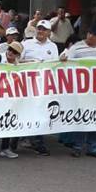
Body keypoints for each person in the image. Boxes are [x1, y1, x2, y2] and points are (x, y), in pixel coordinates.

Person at [60, 25, 96, 158]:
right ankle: (77, 146)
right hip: (82, 88)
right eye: (90, 33)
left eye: (95, 35)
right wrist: (63, 57)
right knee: (82, 116)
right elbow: (65, 58)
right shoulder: (77, 47)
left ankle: (93, 148)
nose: (91, 37)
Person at [20, 20, 58, 156]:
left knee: (41, 111)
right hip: (27, 85)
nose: (41, 31)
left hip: (44, 86)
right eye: (39, 29)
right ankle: (28, 139)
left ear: (49, 32)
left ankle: (36, 141)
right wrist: (32, 63)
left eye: (44, 29)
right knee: (27, 111)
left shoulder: (53, 46)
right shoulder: (26, 44)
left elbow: (55, 65)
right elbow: (17, 61)